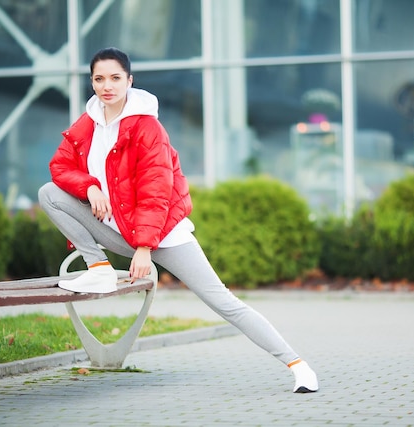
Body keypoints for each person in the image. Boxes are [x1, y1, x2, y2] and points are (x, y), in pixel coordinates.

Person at [38, 47, 318, 394]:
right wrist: (92, 187)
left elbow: (157, 190)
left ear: (129, 80)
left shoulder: (146, 127)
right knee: (50, 192)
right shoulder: (89, 123)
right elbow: (61, 167)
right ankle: (99, 269)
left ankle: (297, 365)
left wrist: (144, 247)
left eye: (115, 78)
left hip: (162, 235)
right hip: (115, 229)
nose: (106, 86)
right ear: (91, 81)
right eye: (99, 79)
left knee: (223, 301)